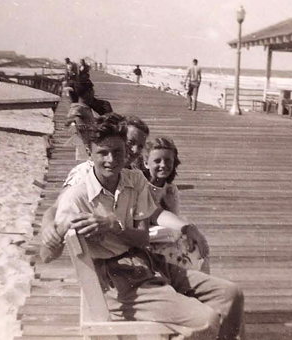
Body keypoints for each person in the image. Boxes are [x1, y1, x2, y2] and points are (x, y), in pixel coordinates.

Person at [50, 114, 244, 340]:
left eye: (121, 151)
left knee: (232, 294)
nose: (112, 159)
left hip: (146, 262)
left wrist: (184, 227)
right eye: (103, 152)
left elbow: (145, 232)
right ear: (89, 153)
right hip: (116, 279)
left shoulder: (133, 179)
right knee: (206, 321)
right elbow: (53, 226)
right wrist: (50, 233)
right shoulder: (80, 186)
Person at [40, 116, 209, 271]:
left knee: (194, 248)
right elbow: (57, 208)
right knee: (187, 259)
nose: (134, 150)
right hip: (106, 256)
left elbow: (154, 212)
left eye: (140, 146)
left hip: (131, 245)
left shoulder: (132, 174)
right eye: (130, 143)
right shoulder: (84, 172)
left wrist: (186, 227)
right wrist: (47, 226)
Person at [143, 137, 210, 273]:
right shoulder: (141, 186)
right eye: (157, 161)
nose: (163, 165)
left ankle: (202, 285)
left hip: (167, 234)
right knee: (182, 259)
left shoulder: (171, 189)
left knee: (197, 249)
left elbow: (174, 217)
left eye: (168, 161)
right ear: (145, 163)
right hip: (148, 237)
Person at [66, 81, 95, 161]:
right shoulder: (79, 108)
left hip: (88, 142)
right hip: (84, 143)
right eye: (92, 91)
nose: (93, 93)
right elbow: (69, 120)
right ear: (87, 93)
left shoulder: (83, 107)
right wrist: (77, 121)